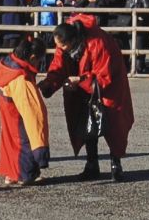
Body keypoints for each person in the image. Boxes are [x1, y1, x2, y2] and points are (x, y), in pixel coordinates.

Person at [41, 13, 134, 180]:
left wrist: (82, 79)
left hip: (110, 86)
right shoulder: (65, 39)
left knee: (113, 123)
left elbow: (105, 75)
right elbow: (58, 64)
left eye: (62, 46)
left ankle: (115, 163)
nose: (60, 49)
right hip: (83, 83)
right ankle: (92, 163)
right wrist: (50, 83)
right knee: (85, 121)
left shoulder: (98, 42)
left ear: (70, 42)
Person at [0, 34, 52, 186]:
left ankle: (11, 174)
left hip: (7, 107)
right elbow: (33, 113)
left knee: (10, 139)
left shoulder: (9, 64)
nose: (39, 64)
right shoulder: (21, 78)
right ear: (32, 57)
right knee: (25, 138)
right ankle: (25, 175)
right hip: (17, 110)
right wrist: (42, 151)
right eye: (39, 60)